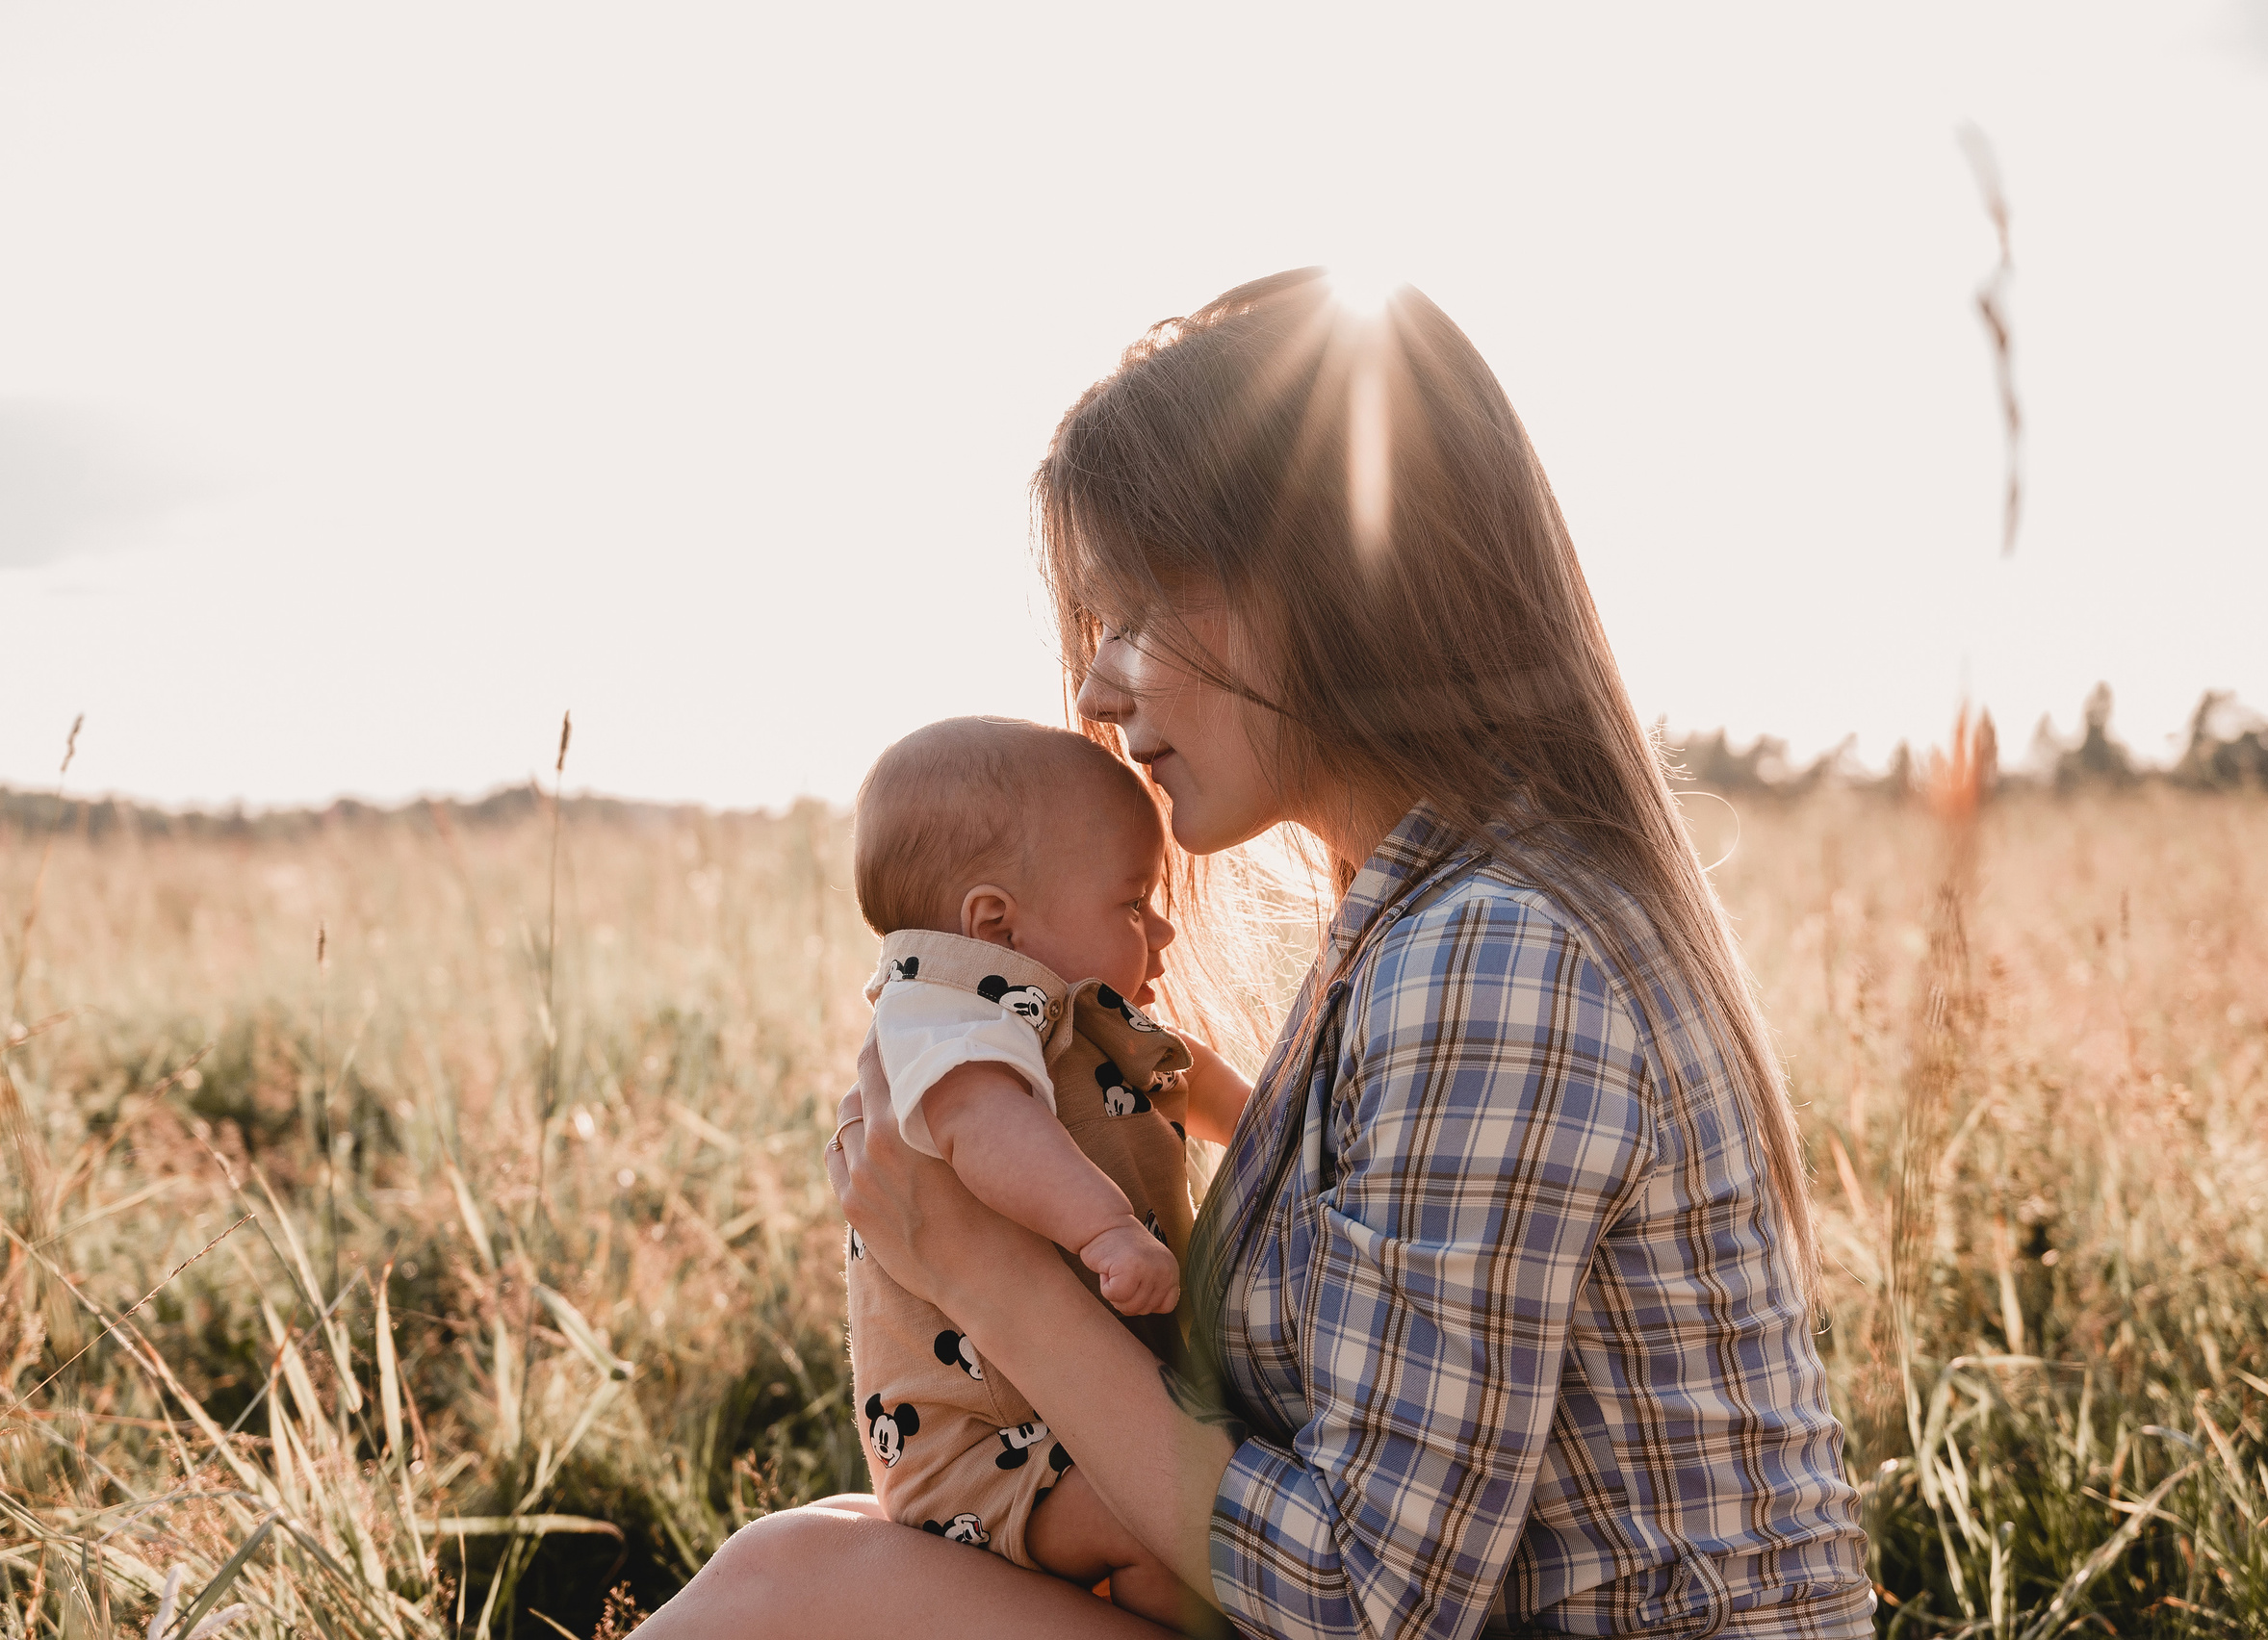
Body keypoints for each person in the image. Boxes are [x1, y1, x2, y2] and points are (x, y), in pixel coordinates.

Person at [635, 269, 1871, 1639]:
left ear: (1325, 584)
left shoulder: (1496, 952)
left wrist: (987, 1271)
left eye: (1132, 619)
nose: (1098, 695)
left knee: (799, 1596)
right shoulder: (1416, 922)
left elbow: (1361, 1602)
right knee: (805, 1565)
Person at [836, 716, 1245, 1630]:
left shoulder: (1055, 1017)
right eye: (1134, 903)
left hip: (1064, 1409)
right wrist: (1104, 1230)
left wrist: (1265, 1124)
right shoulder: (949, 1009)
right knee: (1152, 1541)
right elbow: (987, 1127)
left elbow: (1185, 1071)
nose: (1162, 929)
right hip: (982, 1443)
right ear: (995, 921)